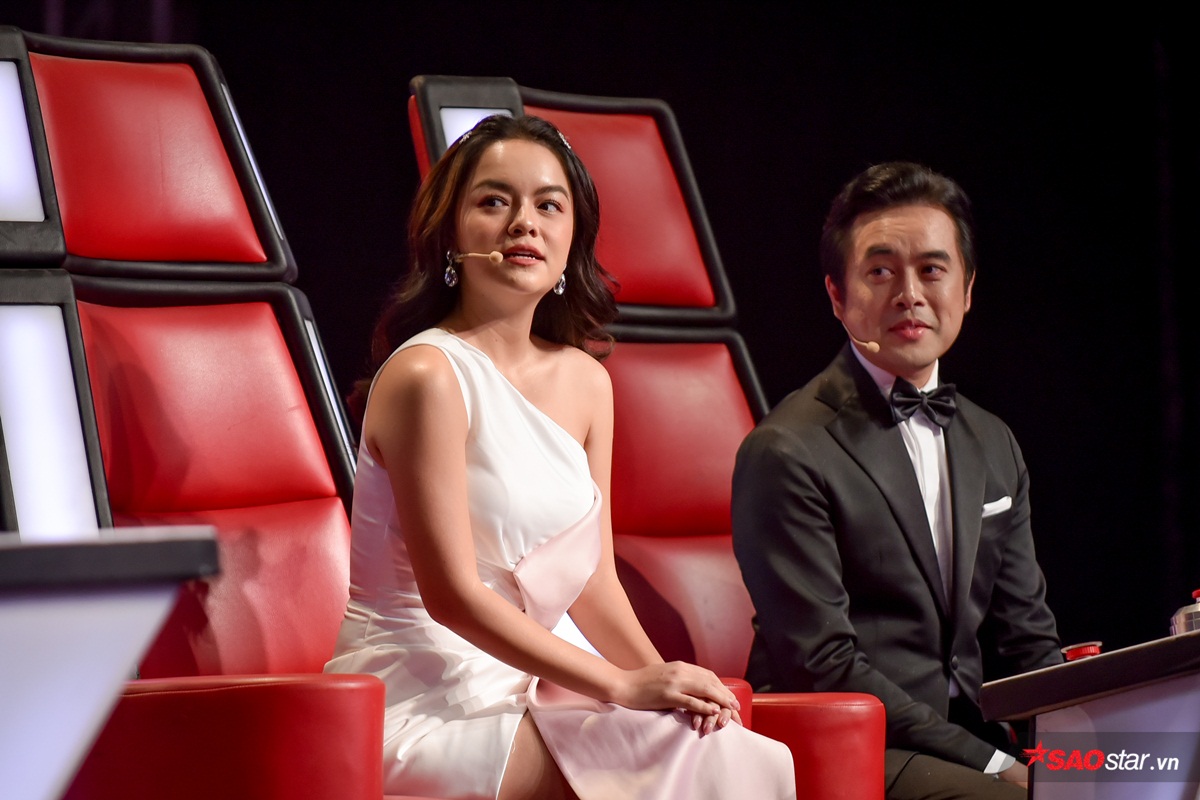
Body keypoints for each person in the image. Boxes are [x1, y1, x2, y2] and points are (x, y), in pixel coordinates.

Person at [325, 114, 794, 800]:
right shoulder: (427, 375)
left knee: (713, 743)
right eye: (495, 201)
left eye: (549, 205)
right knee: (676, 760)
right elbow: (452, 597)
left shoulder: (587, 382)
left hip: (534, 683)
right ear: (450, 234)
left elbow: (593, 582)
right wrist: (622, 686)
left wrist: (663, 683)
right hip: (423, 695)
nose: (524, 223)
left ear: (574, 239)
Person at [731, 161, 1062, 800]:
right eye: (881, 272)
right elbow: (822, 664)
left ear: (966, 289)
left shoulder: (993, 440)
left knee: (1157, 778)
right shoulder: (785, 449)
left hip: (973, 741)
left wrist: (1085, 751)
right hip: (848, 744)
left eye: (932, 270)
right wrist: (997, 764)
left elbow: (1028, 638)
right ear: (837, 296)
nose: (909, 293)